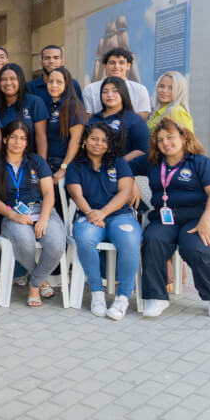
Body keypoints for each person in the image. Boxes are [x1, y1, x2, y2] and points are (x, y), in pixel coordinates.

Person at [130, 119, 210, 318]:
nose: (166, 143)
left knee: (194, 248)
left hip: (198, 217)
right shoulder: (152, 161)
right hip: (166, 219)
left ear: (183, 137)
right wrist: (131, 183)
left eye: (170, 137)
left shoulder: (200, 162)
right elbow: (122, 167)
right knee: (152, 240)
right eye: (160, 140)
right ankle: (156, 297)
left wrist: (206, 220)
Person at [65, 122, 142, 320]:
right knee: (85, 239)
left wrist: (103, 213)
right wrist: (92, 213)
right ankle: (97, 294)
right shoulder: (76, 165)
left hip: (118, 215)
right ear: (85, 141)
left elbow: (125, 192)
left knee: (130, 241)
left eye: (103, 140)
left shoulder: (119, 163)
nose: (98, 144)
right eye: (93, 139)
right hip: (88, 215)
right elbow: (76, 195)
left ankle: (123, 297)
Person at [0, 120, 66, 307]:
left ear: (27, 142)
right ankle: (40, 283)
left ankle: (35, 283)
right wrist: (14, 216)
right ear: (5, 139)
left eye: (22, 138)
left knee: (55, 245)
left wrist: (44, 219)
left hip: (42, 210)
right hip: (13, 213)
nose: (17, 142)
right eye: (13, 137)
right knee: (25, 243)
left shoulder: (37, 161)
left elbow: (48, 193)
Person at [42, 66, 89, 179]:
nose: (54, 85)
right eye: (51, 81)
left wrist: (63, 168)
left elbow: (76, 139)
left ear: (67, 84)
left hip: (65, 165)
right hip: (48, 164)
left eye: (59, 82)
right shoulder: (48, 106)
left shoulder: (73, 105)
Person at [89, 77, 149, 162]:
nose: (109, 95)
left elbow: (143, 149)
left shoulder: (134, 120)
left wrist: (119, 164)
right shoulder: (94, 119)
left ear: (123, 93)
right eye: (105, 92)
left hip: (121, 172)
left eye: (115, 91)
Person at [0, 63, 48, 159]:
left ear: (21, 80)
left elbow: (41, 138)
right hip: (2, 163)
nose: (8, 83)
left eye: (13, 79)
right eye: (4, 79)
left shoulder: (34, 102)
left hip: (29, 161)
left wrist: (41, 165)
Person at [83, 47, 151, 118]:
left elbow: (141, 119)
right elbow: (88, 119)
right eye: (112, 63)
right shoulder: (90, 89)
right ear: (104, 66)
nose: (116, 66)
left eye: (121, 63)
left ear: (128, 66)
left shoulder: (140, 90)